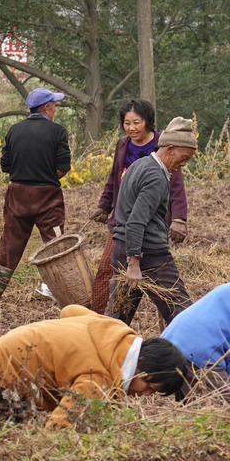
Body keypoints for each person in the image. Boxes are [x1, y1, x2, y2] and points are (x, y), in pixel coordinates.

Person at [0, 304, 191, 438]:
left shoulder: (116, 331)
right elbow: (58, 426)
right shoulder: (98, 379)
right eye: (149, 387)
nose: (145, 395)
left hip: (3, 354)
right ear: (142, 363)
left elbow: (69, 311)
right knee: (7, 444)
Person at [89, 99, 188, 313]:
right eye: (127, 123)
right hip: (135, 234)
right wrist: (105, 205)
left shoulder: (162, 151)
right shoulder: (136, 155)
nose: (132, 128)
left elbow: (177, 186)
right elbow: (114, 180)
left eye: (137, 122)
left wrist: (179, 218)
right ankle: (94, 318)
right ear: (170, 150)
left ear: (148, 122)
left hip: (141, 228)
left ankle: (106, 333)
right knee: (177, 306)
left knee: (121, 308)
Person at [0, 87, 71, 300]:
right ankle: (52, 289)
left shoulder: (14, 130)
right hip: (47, 195)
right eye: (54, 105)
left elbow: (5, 165)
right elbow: (63, 167)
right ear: (46, 108)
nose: (55, 109)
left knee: (10, 242)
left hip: (17, 195)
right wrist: (45, 177)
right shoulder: (57, 131)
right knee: (54, 243)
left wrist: (25, 174)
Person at [105, 116, 197, 326]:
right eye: (183, 158)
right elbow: (136, 221)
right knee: (182, 314)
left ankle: (102, 354)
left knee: (117, 319)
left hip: (121, 249)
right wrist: (134, 262)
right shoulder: (156, 176)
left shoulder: (139, 165)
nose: (183, 164)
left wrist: (128, 258)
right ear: (170, 148)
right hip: (150, 256)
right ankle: (193, 357)